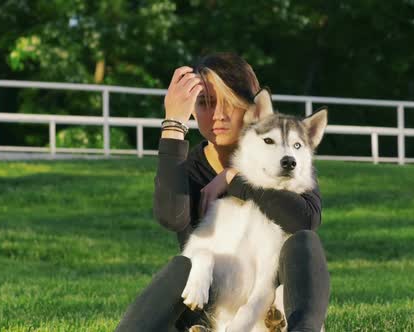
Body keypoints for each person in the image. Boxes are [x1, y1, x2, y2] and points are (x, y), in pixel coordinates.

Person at [115, 52, 330, 332]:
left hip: (269, 304)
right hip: (208, 301)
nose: (217, 115)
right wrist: (173, 124)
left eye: (229, 103)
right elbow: (171, 217)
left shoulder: (285, 159)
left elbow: (304, 221)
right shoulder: (191, 167)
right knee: (180, 268)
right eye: (204, 103)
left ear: (253, 108)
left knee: (303, 243)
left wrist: (235, 179)